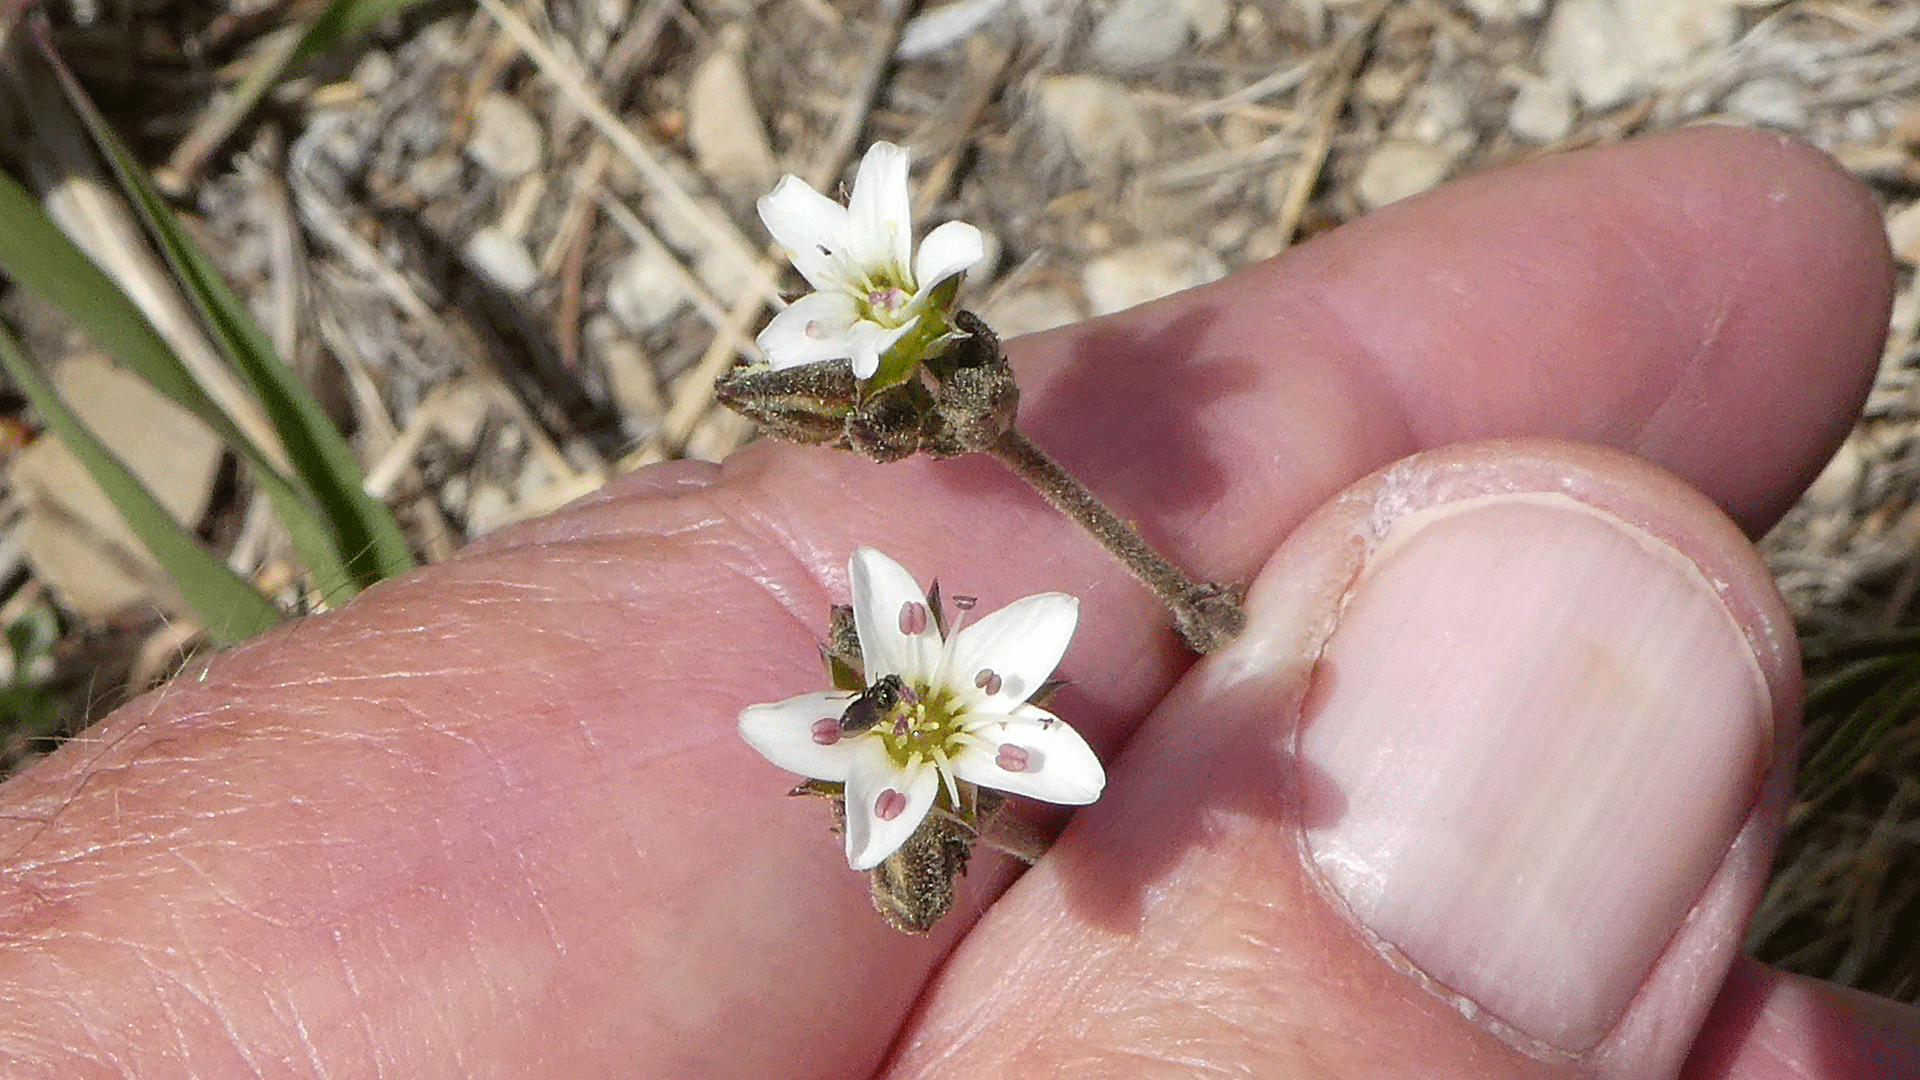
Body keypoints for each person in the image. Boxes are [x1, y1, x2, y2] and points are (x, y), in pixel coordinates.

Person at [0, 125, 1913, 1079]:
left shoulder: (940, 662)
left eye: (908, 320)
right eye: (902, 724)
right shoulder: (911, 725)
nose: (914, 723)